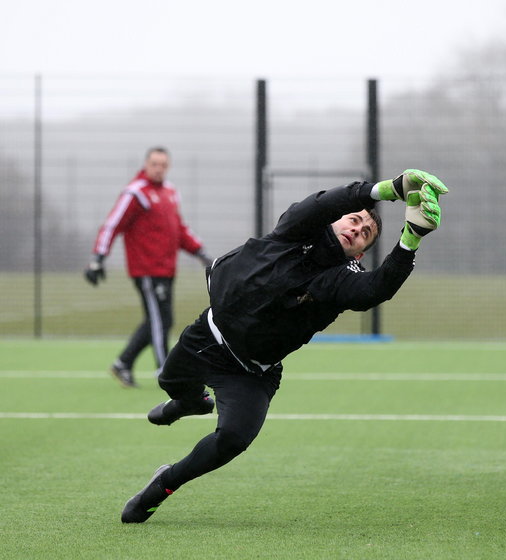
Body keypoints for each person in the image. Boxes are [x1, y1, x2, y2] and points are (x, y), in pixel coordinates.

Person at [119, 169, 448, 523]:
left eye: (364, 234)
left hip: (251, 372)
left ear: (360, 255)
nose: (356, 230)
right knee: (169, 382)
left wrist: (411, 238)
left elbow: (374, 290)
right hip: (207, 338)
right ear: (336, 220)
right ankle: (189, 402)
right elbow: (320, 205)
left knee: (233, 439)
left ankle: (162, 485)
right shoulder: (297, 230)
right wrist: (387, 189)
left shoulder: (339, 277)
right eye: (354, 221)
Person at [84, 147, 212, 388]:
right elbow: (112, 225)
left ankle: (123, 363)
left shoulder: (170, 192)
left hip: (166, 268)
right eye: (154, 163)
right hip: (146, 270)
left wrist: (200, 252)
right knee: (160, 320)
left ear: (168, 166)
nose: (159, 168)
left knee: (159, 319)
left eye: (163, 164)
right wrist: (98, 257)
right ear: (146, 164)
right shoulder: (136, 194)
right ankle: (166, 371)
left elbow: (179, 229)